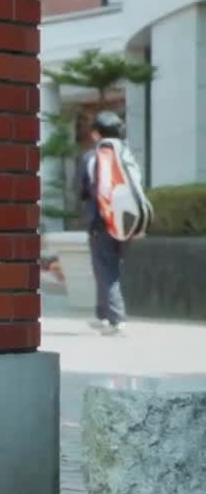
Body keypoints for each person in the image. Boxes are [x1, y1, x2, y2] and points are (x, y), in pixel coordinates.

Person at [78, 111, 139, 336]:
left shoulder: (91, 156)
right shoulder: (126, 153)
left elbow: (83, 191)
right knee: (111, 266)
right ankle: (102, 314)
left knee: (104, 268)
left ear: (97, 134)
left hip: (101, 219)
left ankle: (116, 318)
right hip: (128, 219)